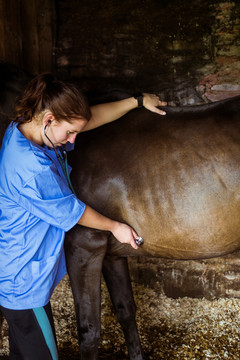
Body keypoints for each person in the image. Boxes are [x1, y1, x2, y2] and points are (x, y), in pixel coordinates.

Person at [0, 73, 167, 359]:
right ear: (50, 119)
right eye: (69, 133)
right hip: (23, 282)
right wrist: (116, 227)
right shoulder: (32, 168)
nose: (74, 139)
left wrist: (136, 101)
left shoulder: (25, 128)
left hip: (20, 275)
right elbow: (73, 212)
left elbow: (91, 119)